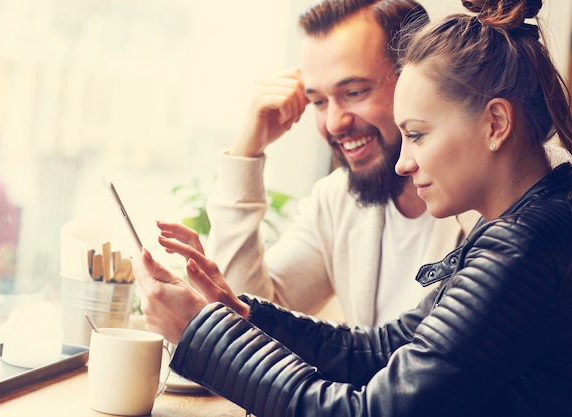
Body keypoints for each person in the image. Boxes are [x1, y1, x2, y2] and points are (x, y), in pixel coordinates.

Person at [134, 0, 572, 415]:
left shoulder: (523, 244)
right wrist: (244, 314)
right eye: (319, 101)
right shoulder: (524, 221)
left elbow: (372, 411)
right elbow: (384, 349)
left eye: (417, 135)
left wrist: (201, 333)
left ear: (495, 124)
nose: (405, 161)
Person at [200, 0, 479, 327]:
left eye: (355, 92)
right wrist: (246, 153)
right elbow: (242, 321)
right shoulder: (338, 200)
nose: (333, 123)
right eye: (318, 101)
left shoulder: (496, 193)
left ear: (416, 79)